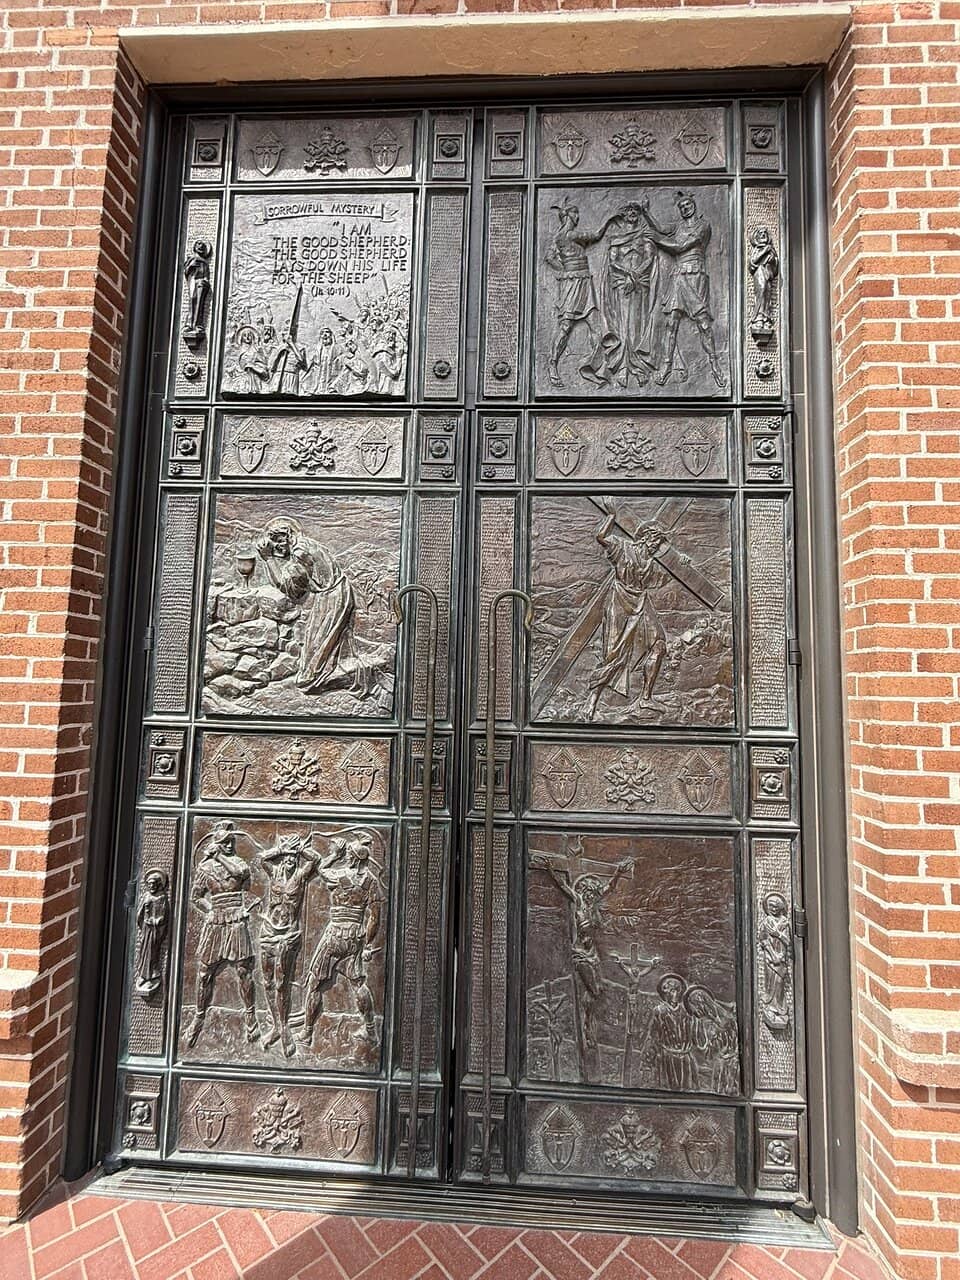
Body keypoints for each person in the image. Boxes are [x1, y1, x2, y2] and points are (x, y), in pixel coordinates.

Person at [530, 843, 634, 1080]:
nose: (590, 894)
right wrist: (550, 870)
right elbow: (563, 886)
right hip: (580, 954)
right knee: (594, 991)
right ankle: (587, 1029)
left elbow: (609, 888)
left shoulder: (594, 905)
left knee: (595, 994)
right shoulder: (577, 902)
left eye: (592, 892)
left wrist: (618, 872)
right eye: (587, 891)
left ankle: (589, 1027)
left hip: (593, 953)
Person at [296, 830, 383, 1050]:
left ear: (354, 858)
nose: (347, 858)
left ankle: (307, 1032)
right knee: (358, 984)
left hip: (335, 934)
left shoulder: (341, 876)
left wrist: (335, 855)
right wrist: (367, 944)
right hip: (355, 936)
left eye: (349, 856)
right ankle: (371, 1030)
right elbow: (374, 918)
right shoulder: (371, 882)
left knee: (314, 982)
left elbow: (321, 868)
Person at [587, 499, 670, 719]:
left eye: (660, 543)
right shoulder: (622, 547)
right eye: (656, 541)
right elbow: (601, 537)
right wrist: (611, 517)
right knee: (614, 655)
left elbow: (662, 580)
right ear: (647, 537)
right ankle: (592, 701)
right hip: (619, 602)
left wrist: (684, 562)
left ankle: (646, 698)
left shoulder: (651, 563)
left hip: (641, 603)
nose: (657, 546)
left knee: (659, 645)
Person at [256, 517, 357, 695]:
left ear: (289, 535)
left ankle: (314, 680)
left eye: (279, 540)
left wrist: (269, 559)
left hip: (333, 598)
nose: (277, 546)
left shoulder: (300, 553)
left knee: (320, 643)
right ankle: (321, 677)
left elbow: (289, 589)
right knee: (318, 639)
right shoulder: (303, 544)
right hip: (332, 594)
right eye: (274, 543)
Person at [184, 821, 259, 1048]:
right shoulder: (205, 869)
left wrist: (218, 857)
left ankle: (250, 1016)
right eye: (224, 842)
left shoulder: (238, 863)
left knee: (244, 971)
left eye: (231, 841)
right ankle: (198, 1017)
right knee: (204, 972)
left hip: (236, 919)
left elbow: (239, 874)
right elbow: (196, 896)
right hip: (216, 921)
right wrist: (209, 910)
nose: (229, 845)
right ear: (216, 843)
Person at [642, 191, 725, 388]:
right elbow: (661, 228)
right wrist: (646, 212)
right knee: (671, 324)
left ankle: (715, 366)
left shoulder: (703, 226)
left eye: (687, 204)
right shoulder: (678, 226)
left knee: (704, 325)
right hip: (679, 276)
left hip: (695, 275)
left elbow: (680, 246)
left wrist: (656, 239)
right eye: (681, 207)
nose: (685, 208)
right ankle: (666, 367)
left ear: (693, 205)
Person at [255, 833, 320, 1057]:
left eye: (294, 857)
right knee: (267, 982)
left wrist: (299, 848)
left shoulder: (300, 876)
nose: (290, 860)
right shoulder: (274, 872)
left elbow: (315, 860)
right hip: (268, 931)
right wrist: (281, 849)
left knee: (281, 983)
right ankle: (276, 1026)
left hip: (288, 934)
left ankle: (284, 1030)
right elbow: (262, 859)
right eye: (287, 857)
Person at [545, 197, 618, 388]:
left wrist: (564, 270)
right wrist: (609, 220)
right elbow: (595, 235)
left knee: (596, 327)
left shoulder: (558, 238)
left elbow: (550, 257)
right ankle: (552, 363)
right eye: (575, 213)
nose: (578, 216)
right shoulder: (570, 235)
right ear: (568, 215)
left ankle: (594, 369)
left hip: (583, 282)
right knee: (566, 326)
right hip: (575, 284)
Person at [684, 984, 740, 1094]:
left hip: (729, 1058)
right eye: (694, 1005)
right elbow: (702, 1046)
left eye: (697, 1004)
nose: (696, 1009)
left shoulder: (722, 1017)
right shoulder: (700, 1022)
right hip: (718, 1060)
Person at [644, 973, 696, 1091]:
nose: (675, 994)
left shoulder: (686, 1011)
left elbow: (693, 1034)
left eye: (677, 991)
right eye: (672, 991)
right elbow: (653, 1035)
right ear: (666, 993)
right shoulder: (659, 1011)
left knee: (687, 1088)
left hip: (685, 1057)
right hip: (668, 1057)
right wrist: (649, 1057)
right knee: (668, 1087)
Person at [758, 892, 792, 1030]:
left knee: (779, 983)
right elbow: (763, 939)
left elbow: (788, 941)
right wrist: (772, 955)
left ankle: (780, 1009)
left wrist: (777, 934)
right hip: (770, 959)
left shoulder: (784, 923)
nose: (773, 909)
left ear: (780, 907)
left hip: (781, 958)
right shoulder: (766, 922)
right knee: (770, 983)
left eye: (776, 906)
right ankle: (770, 1009)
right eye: (770, 906)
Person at [134, 870, 169, 998]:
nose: (152, 886)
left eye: (154, 884)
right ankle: (143, 976)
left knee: (153, 951)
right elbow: (140, 913)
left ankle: (153, 975)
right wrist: (143, 920)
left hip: (155, 930)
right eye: (149, 884)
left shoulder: (161, 898)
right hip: (146, 929)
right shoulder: (146, 896)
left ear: (158, 884)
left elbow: (163, 915)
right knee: (144, 952)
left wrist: (155, 921)